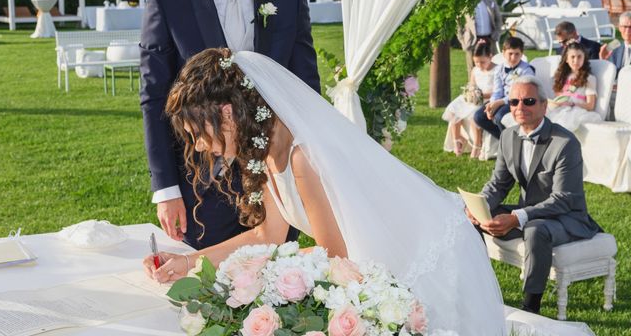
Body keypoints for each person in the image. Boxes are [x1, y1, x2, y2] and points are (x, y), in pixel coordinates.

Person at [143, 48, 506, 335]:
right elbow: (266, 234)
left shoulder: (303, 157)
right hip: (372, 261)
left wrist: (252, 271)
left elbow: (332, 256)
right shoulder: (261, 150)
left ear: (226, 114)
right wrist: (190, 261)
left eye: (197, 133)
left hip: (422, 259)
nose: (200, 147)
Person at [140, 0, 320, 250]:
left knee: (282, 285)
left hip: (279, 177)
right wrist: (166, 188)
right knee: (209, 291)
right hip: (202, 186)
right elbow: (155, 97)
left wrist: (303, 170)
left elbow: (305, 88)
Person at [467, 76, 601, 314]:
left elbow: (563, 199)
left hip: (567, 217)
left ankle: (530, 309)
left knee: (535, 230)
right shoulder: (508, 136)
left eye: (528, 101)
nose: (520, 107)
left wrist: (517, 217)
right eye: (514, 101)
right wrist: (479, 206)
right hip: (530, 212)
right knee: (472, 218)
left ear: (543, 105)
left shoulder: (565, 143)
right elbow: (499, 183)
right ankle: (481, 290)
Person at [473, 37, 534, 140]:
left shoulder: (526, 70)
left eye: (517, 54)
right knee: (478, 116)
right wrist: (491, 104)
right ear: (503, 53)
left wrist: (500, 102)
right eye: (510, 54)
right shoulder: (499, 69)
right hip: (501, 99)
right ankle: (504, 140)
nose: (513, 57)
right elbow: (497, 90)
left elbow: (523, 93)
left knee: (499, 116)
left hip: (518, 100)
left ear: (522, 54)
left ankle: (509, 143)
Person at [443, 42, 495, 158]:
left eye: (482, 62)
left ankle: (477, 144)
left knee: (472, 114)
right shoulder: (475, 70)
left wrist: (481, 95)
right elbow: (471, 85)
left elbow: (497, 92)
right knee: (453, 109)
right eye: (476, 62)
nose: (479, 65)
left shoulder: (496, 71)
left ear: (490, 57)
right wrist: (471, 93)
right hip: (475, 97)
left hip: (488, 98)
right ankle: (458, 140)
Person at [546, 41, 602, 131]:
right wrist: (555, 103)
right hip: (562, 109)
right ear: (567, 59)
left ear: (584, 58)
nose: (576, 61)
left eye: (579, 57)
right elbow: (560, 98)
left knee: (564, 122)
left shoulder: (589, 78)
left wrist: (572, 104)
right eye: (572, 57)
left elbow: (590, 105)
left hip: (577, 110)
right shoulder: (563, 77)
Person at [457, 0, 503, 76]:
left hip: (489, 38)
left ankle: (493, 85)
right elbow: (458, 23)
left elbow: (498, 19)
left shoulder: (490, 1)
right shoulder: (465, 3)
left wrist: (497, 33)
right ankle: (473, 87)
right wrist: (462, 40)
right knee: (473, 69)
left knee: (492, 66)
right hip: (472, 40)